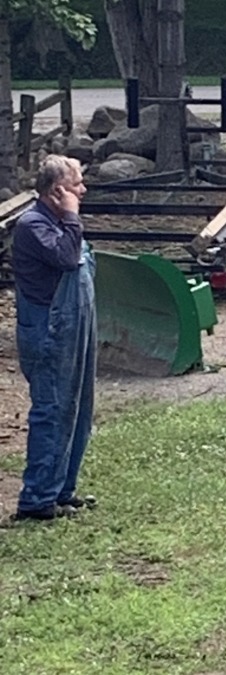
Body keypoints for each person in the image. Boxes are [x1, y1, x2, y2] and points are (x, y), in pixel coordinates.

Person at [10, 155, 97, 522]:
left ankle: (62, 489)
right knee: (52, 410)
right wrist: (73, 214)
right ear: (57, 191)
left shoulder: (59, 222)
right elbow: (65, 257)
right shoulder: (33, 225)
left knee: (77, 408)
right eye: (77, 184)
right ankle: (36, 499)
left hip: (74, 327)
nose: (83, 190)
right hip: (49, 329)